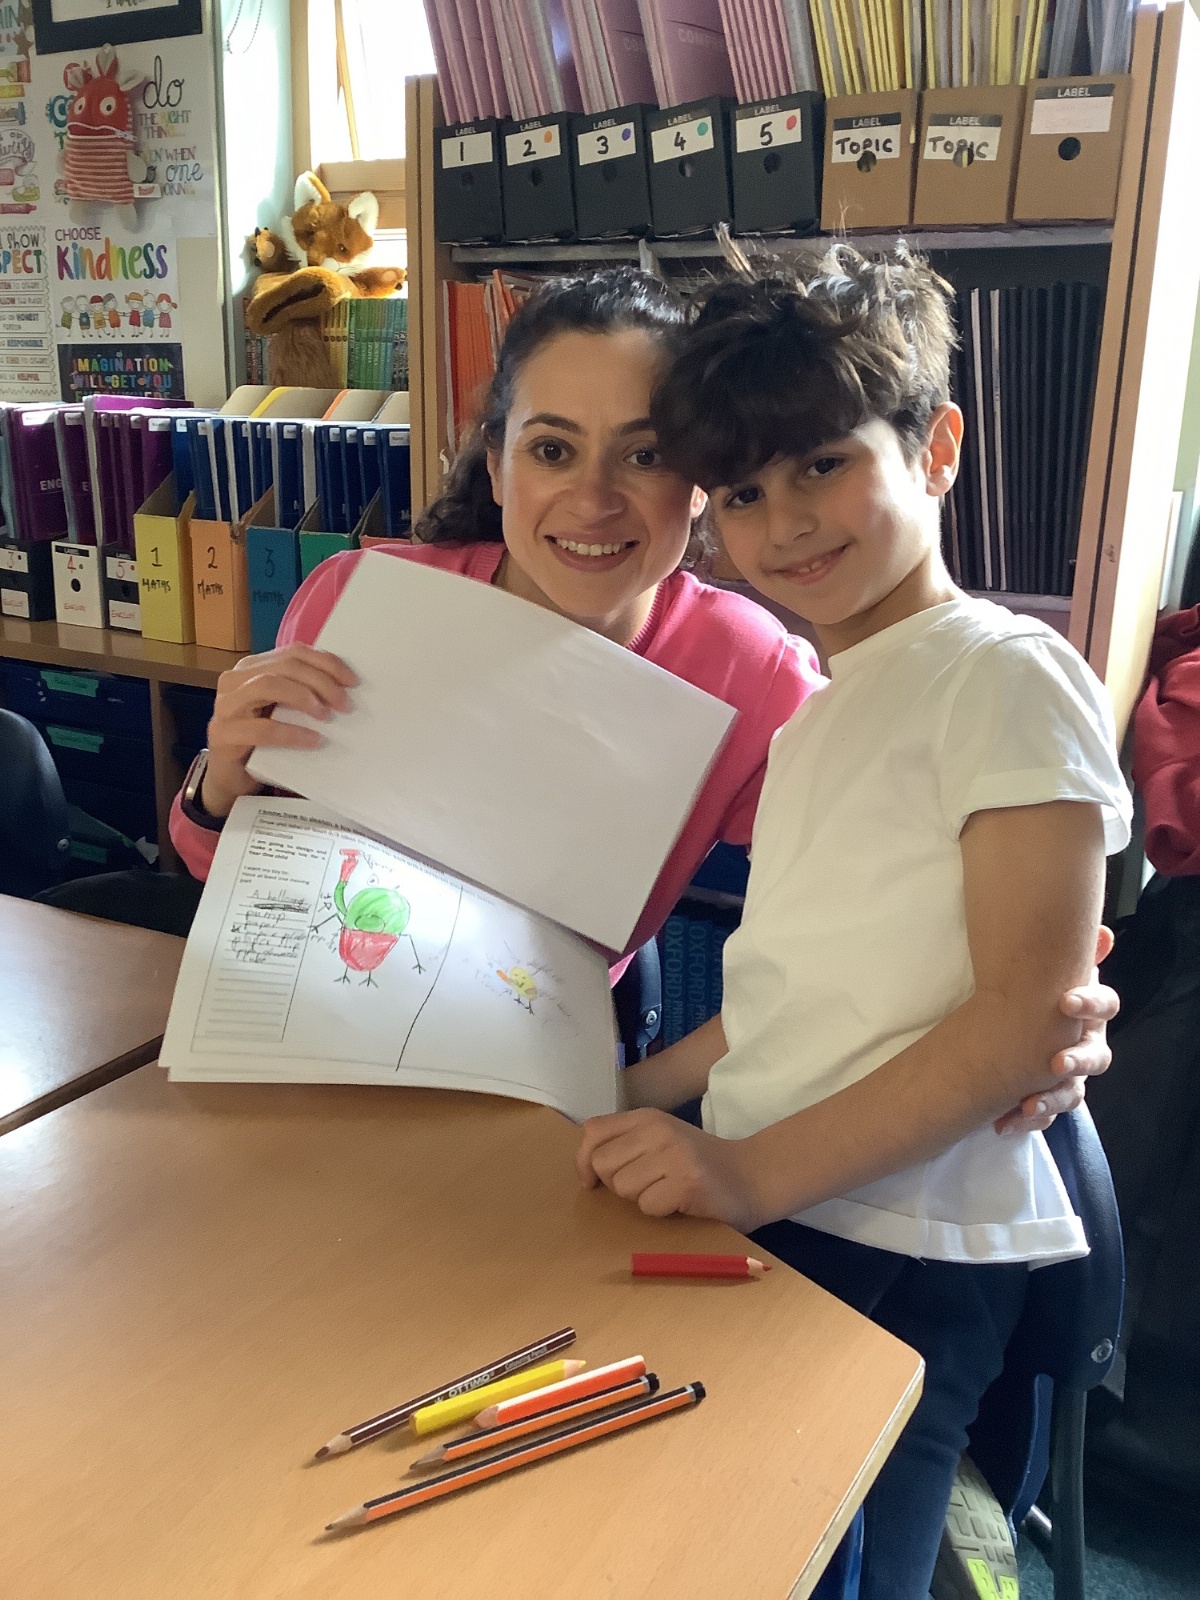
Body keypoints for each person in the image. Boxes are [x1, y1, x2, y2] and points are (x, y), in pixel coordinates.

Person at [170, 268, 1116, 1138]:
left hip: (533, 1085)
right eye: (552, 450)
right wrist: (218, 790)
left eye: (646, 456)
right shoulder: (360, 599)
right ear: (496, 464)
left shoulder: (757, 674)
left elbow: (876, 897)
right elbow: (238, 874)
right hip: (300, 1041)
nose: (593, 501)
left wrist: (1050, 1004)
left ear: (700, 486)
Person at [574, 245, 1133, 1599]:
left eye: (822, 465)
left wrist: (748, 1176)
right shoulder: (826, 709)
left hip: (903, 1229)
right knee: (745, 1535)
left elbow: (1026, 1017)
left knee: (837, 1551)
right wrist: (624, 1089)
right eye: (743, 494)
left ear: (936, 447)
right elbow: (800, 985)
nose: (783, 526)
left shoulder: (1004, 674)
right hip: (795, 1196)